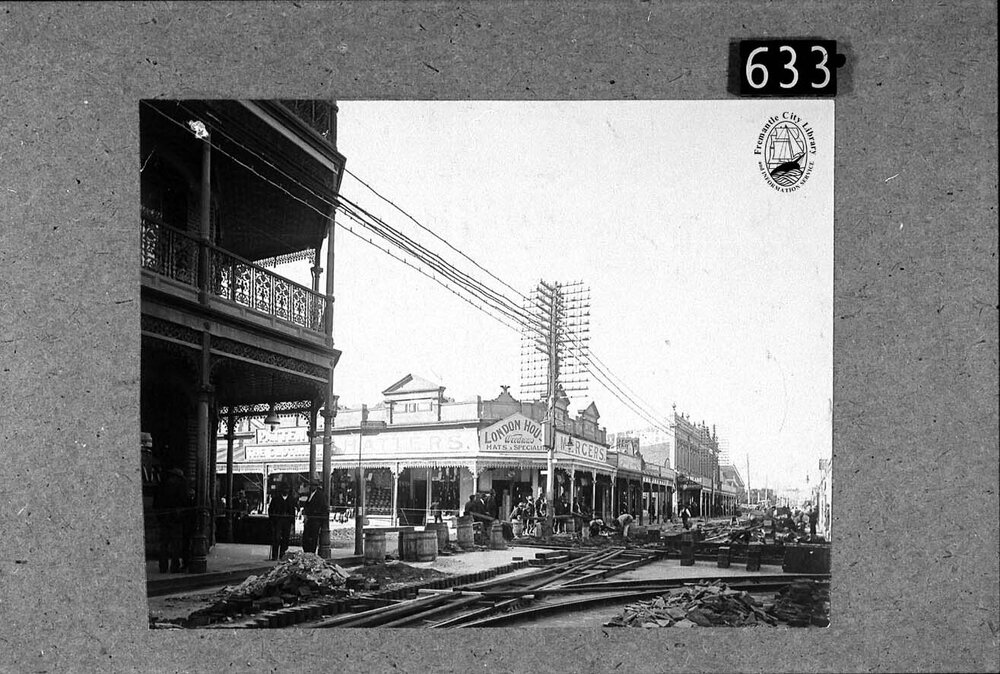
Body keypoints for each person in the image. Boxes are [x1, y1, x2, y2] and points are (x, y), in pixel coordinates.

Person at [153, 467, 188, 573]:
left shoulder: (162, 485)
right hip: (175, 518)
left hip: (164, 517)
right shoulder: (180, 485)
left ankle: (163, 566)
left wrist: (159, 516)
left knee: (164, 543)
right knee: (175, 544)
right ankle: (174, 566)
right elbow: (183, 500)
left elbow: (156, 502)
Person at [267, 482, 296, 560]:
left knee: (285, 538)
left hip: (287, 522)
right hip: (278, 521)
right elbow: (270, 510)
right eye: (284, 489)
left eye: (287, 489)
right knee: (276, 538)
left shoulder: (291, 499)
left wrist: (293, 523)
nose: (286, 490)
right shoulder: (276, 499)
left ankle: (282, 554)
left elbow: (293, 511)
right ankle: (274, 555)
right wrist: (272, 519)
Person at [300, 480, 326, 555]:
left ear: (316, 486)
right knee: (306, 537)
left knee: (313, 537)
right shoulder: (310, 494)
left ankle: (311, 552)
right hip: (309, 519)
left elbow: (322, 507)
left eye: (313, 485)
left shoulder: (320, 495)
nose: (311, 487)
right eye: (311, 485)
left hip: (315, 519)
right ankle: (307, 550)